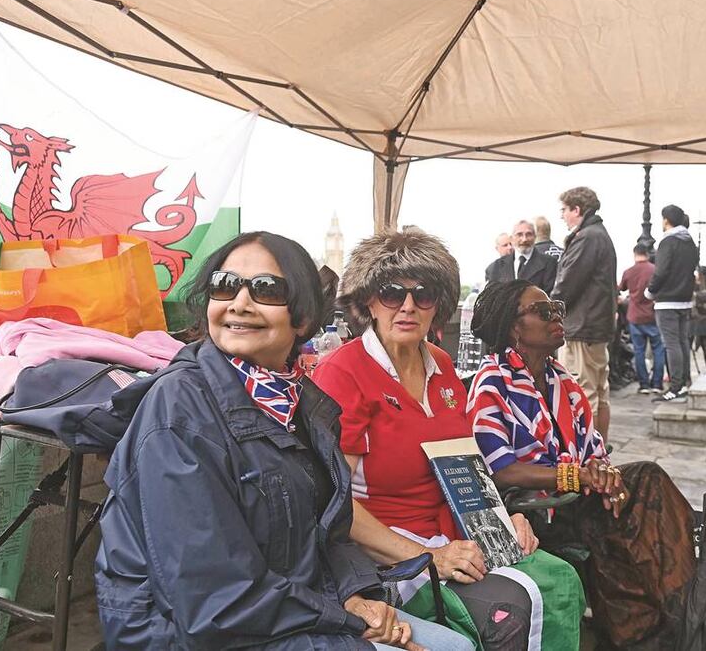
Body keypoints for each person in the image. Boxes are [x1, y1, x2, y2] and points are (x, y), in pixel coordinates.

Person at [95, 231, 473, 651]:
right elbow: (211, 598)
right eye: (225, 285)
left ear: (303, 317)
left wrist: (356, 596)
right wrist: (341, 614)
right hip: (188, 631)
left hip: (284, 606)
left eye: (265, 290)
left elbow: (328, 529)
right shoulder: (179, 409)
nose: (239, 303)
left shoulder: (300, 402)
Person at [466, 280, 706, 650]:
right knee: (647, 487)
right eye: (544, 312)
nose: (557, 317)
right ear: (514, 327)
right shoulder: (492, 383)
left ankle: (700, 620)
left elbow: (593, 451)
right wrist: (575, 476)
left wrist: (605, 477)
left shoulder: (563, 381)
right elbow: (500, 470)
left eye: (558, 308)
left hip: (577, 501)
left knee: (645, 497)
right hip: (537, 514)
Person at [312, 231, 585, 651]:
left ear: (438, 304)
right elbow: (336, 499)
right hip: (390, 556)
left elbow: (464, 465)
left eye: (423, 294)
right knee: (510, 607)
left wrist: (501, 518)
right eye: (390, 293)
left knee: (562, 579)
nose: (407, 306)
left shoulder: (440, 363)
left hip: (458, 536)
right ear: (368, 300)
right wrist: (428, 556)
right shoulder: (343, 372)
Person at [551, 186, 617, 442]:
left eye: (564, 210)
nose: (562, 216)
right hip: (595, 326)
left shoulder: (587, 237)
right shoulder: (599, 234)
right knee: (599, 391)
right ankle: (601, 448)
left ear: (576, 209)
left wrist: (548, 308)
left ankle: (590, 451)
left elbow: (567, 284)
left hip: (582, 325)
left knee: (583, 391)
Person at [645, 204, 699, 402]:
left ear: (666, 220)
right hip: (685, 300)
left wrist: (650, 292)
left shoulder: (668, 241)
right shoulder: (690, 242)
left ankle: (675, 387)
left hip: (667, 301)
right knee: (683, 342)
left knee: (671, 344)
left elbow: (661, 271)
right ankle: (683, 383)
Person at [619, 244, 666, 393]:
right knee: (658, 349)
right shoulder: (655, 270)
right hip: (653, 315)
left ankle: (644, 384)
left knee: (639, 351)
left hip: (635, 316)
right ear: (647, 254)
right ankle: (657, 384)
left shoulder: (629, 272)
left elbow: (621, 288)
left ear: (634, 254)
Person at [485, 219, 558, 293]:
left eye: (529, 234)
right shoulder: (495, 268)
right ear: (511, 238)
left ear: (535, 237)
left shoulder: (549, 263)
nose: (524, 239)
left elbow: (550, 295)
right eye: (519, 235)